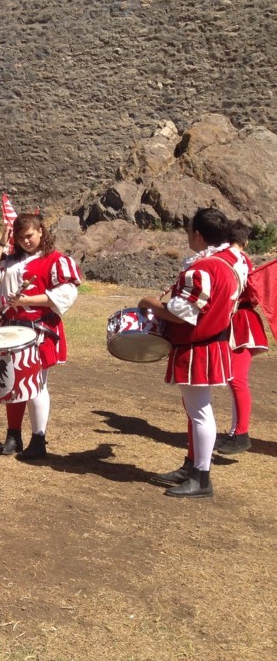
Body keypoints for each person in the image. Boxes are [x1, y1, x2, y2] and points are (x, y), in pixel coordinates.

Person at [139, 208, 243, 498]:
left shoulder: (203, 268)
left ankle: (201, 476)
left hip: (199, 347)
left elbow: (181, 314)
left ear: (197, 234)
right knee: (197, 410)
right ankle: (193, 466)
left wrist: (149, 303)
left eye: (189, 231)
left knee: (199, 412)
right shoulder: (230, 262)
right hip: (212, 343)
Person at [0, 212, 82, 460]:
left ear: (41, 232)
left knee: (36, 384)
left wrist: (27, 300)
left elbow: (66, 294)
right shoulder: (10, 260)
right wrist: (1, 243)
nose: (26, 241)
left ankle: (39, 439)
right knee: (12, 383)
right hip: (8, 330)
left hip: (39, 329)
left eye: (30, 236)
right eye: (20, 237)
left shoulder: (56, 260)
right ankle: (13, 436)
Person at [216, 221, 268, 454]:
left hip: (240, 321)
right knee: (234, 380)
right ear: (245, 241)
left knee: (237, 380)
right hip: (241, 319)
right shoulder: (242, 259)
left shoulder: (231, 258)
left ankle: (240, 433)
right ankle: (237, 432)